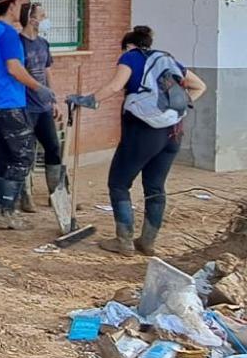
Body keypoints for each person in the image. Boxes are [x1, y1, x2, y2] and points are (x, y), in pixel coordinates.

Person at [68, 26, 206, 256]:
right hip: (173, 132)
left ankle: (124, 241)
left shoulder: (130, 57)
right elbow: (200, 86)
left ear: (129, 46)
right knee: (155, 186)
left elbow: (115, 85)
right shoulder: (167, 59)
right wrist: (172, 111)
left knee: (119, 183)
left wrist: (88, 100)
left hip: (143, 132)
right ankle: (148, 242)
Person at [0, 0, 50, 230]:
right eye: (19, 4)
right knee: (23, 156)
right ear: (11, 6)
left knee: (2, 156)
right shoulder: (8, 34)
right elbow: (14, 68)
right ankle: (6, 212)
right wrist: (39, 87)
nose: (21, 10)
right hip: (11, 103)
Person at [17, 2, 63, 213]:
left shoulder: (43, 43)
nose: (46, 19)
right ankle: (26, 196)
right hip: (24, 106)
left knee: (53, 148)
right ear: (31, 19)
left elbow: (47, 72)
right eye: (42, 15)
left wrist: (54, 100)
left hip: (43, 107)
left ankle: (58, 195)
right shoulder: (18, 44)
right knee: (26, 152)